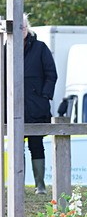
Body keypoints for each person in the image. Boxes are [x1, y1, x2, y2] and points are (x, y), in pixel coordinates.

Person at [20, 15, 57, 194]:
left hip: (36, 105)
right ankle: (17, 185)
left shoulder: (40, 47)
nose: (21, 31)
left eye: (24, 27)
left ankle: (40, 185)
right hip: (14, 106)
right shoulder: (5, 49)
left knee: (36, 144)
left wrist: (44, 96)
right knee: (16, 148)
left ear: (28, 28)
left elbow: (51, 74)